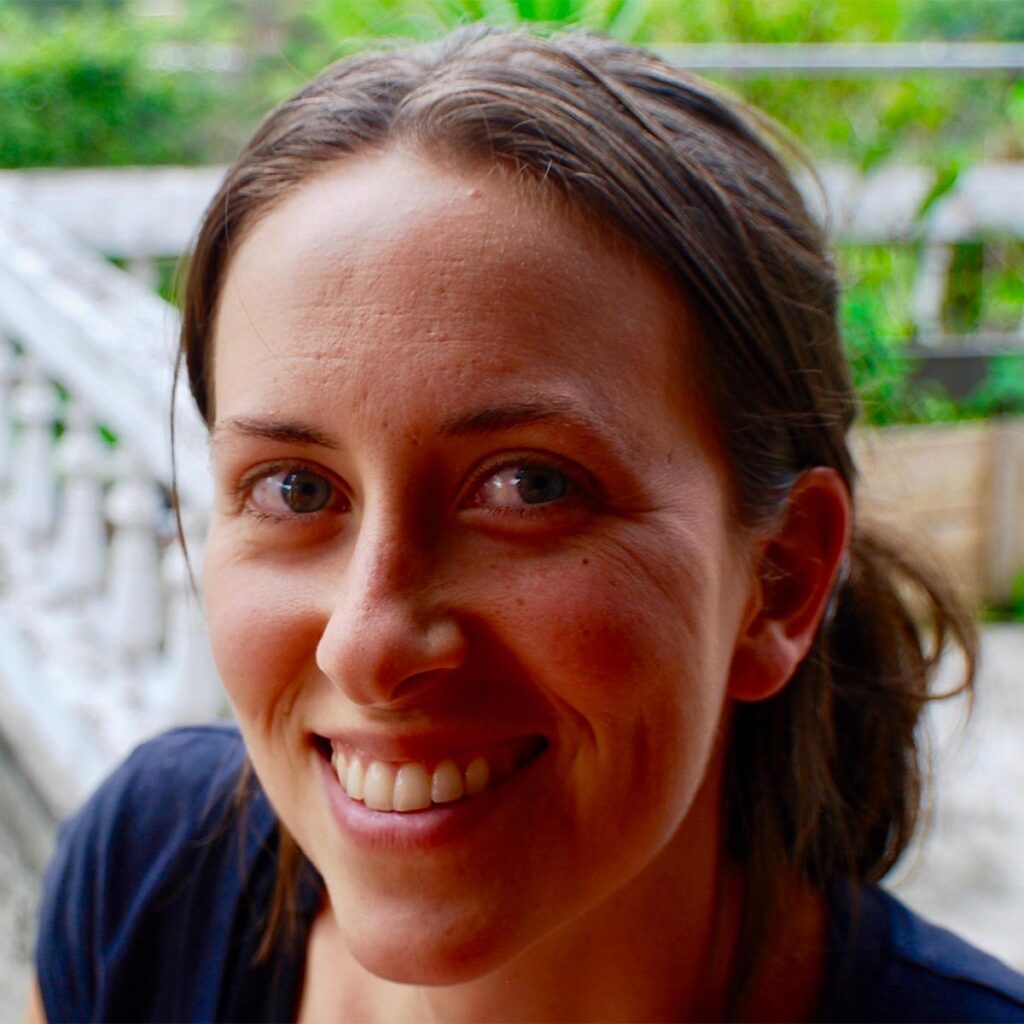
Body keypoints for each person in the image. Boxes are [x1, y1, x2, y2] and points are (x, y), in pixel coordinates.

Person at [28, 24, 1024, 1023]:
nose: (368, 643)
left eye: (528, 488)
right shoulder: (148, 876)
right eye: (295, 488)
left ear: (781, 581)